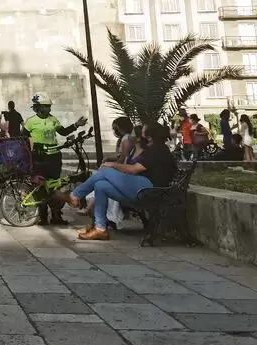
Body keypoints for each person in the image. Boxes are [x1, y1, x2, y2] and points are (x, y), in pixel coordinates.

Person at [58, 122, 177, 241]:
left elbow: (134, 169)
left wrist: (113, 165)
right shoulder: (155, 148)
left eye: (144, 129)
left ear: (149, 136)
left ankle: (75, 195)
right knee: (101, 186)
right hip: (146, 188)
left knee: (105, 171)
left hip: (149, 189)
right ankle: (100, 229)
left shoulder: (157, 150)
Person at [22, 94, 87, 225]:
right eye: (46, 106)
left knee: (56, 185)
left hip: (54, 156)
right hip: (39, 158)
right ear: (38, 108)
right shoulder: (30, 121)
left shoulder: (53, 119)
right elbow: (23, 138)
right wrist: (31, 151)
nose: (49, 108)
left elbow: (62, 132)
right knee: (41, 186)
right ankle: (43, 216)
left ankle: (57, 216)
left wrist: (76, 125)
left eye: (49, 106)